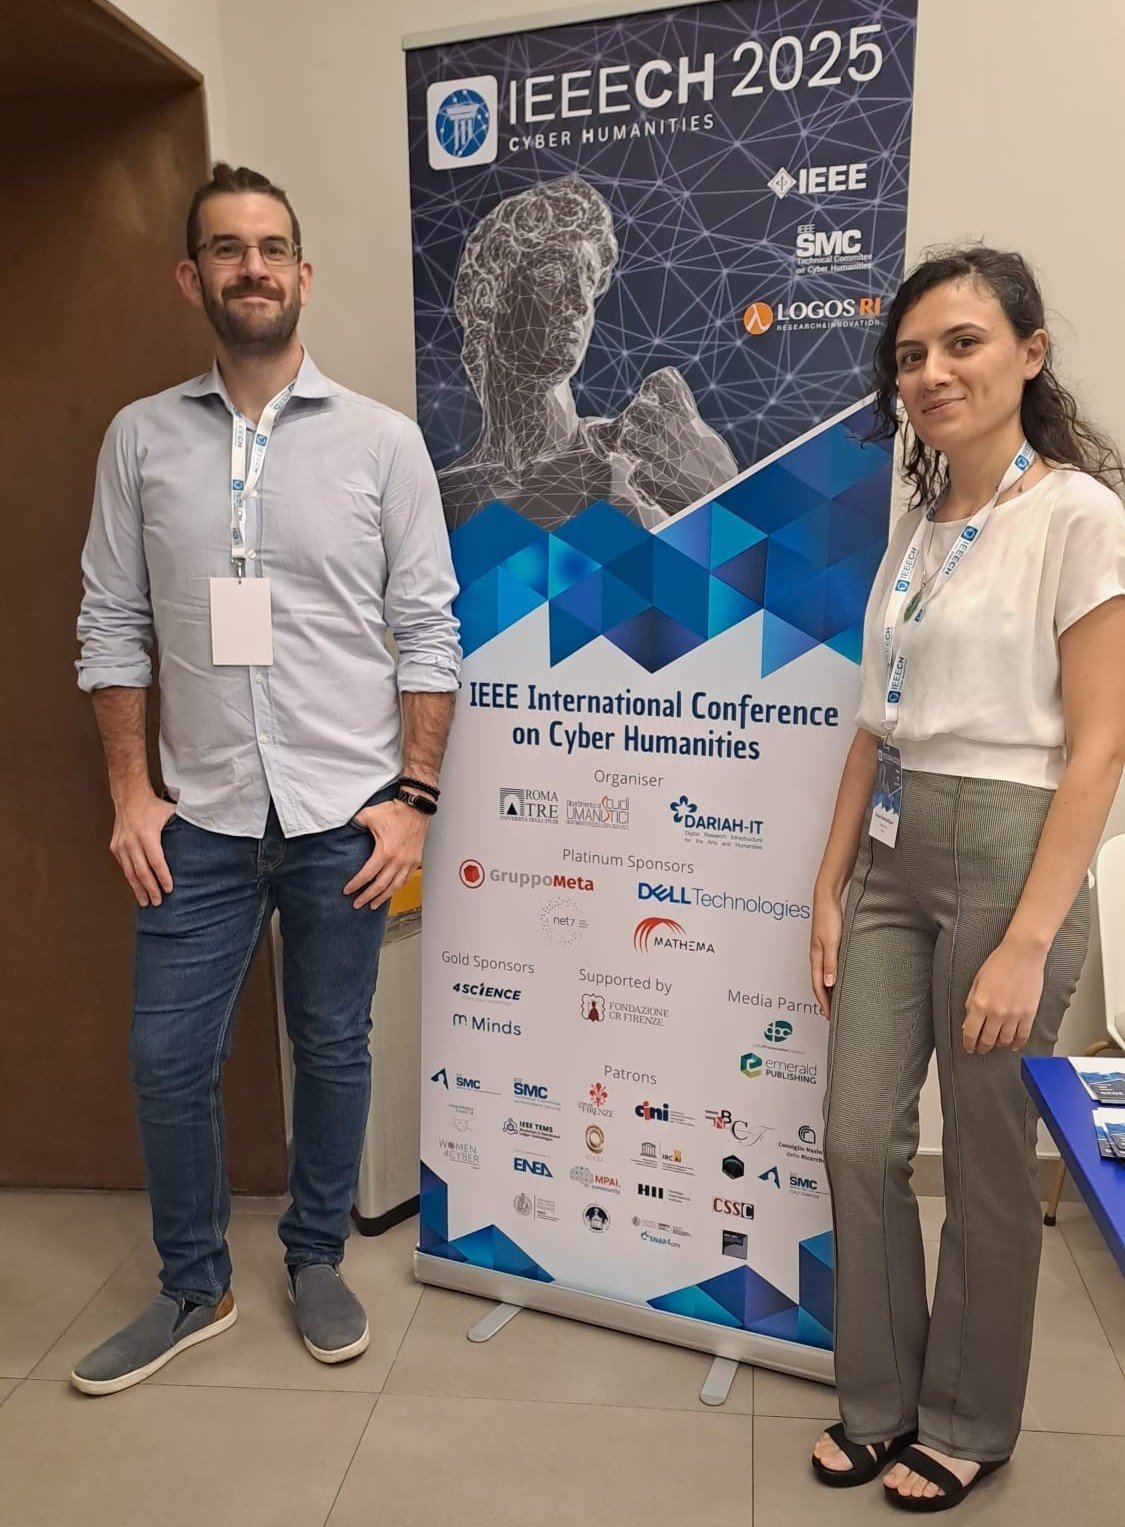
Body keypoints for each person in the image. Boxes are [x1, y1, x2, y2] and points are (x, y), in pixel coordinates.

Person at [71, 163, 460, 1395]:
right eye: (228, 249)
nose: (254, 268)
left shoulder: (382, 442)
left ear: (304, 273)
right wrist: (130, 794)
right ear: (192, 276)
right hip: (199, 815)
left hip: (345, 813)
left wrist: (414, 798)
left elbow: (429, 631)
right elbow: (110, 624)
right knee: (165, 1057)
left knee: (332, 1046)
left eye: (273, 248)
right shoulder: (140, 439)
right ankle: (195, 1284)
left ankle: (315, 1256)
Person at [807, 247, 1125, 1509]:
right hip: (892, 857)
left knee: (989, 1163)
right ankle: (878, 1398)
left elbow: (1100, 746)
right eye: (910, 356)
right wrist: (828, 887)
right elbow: (873, 725)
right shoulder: (919, 529)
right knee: (856, 1137)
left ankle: (968, 1419)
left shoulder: (1080, 516)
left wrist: (1029, 941)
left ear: (1030, 355)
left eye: (962, 344)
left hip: (1010, 854)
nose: (931, 373)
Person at [437, 175, 737, 530]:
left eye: (589, 283)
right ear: (487, 297)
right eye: (551, 275)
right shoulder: (446, 498)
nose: (580, 304)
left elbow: (746, 559)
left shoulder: (643, 458)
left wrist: (716, 493)